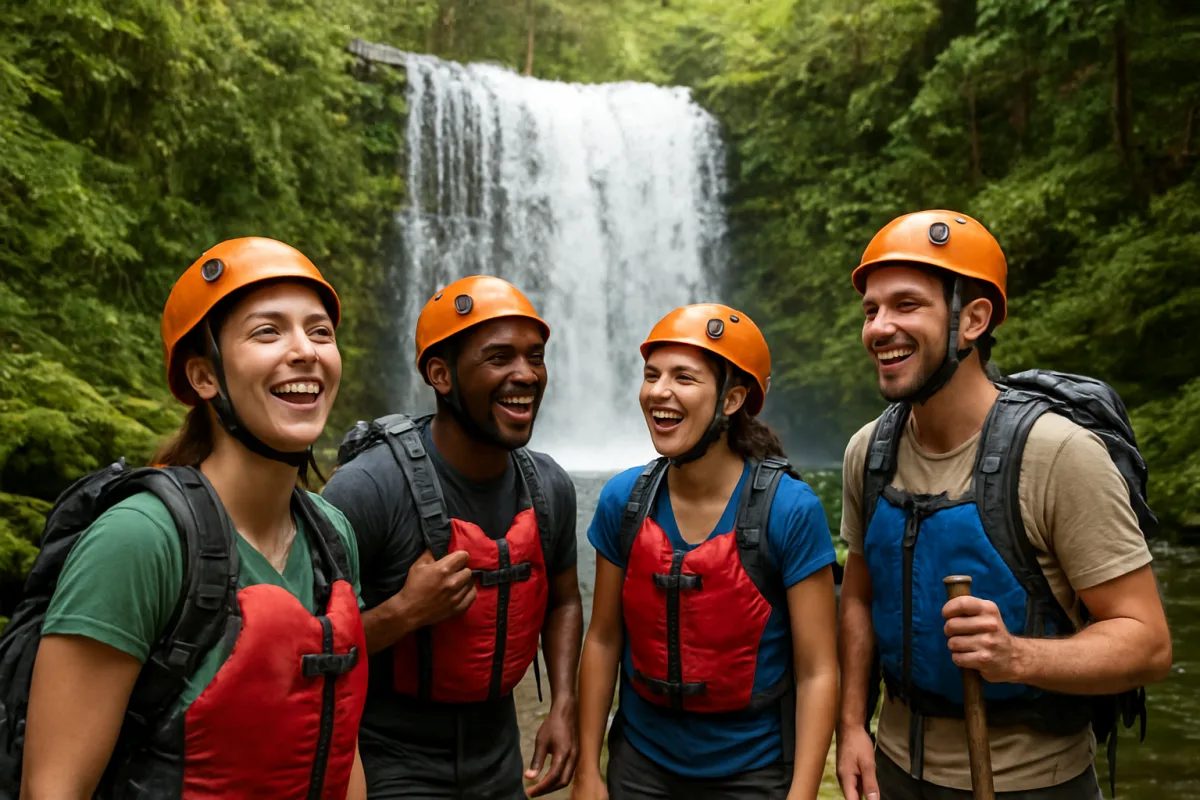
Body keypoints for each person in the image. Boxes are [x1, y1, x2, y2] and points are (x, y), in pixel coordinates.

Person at [835, 210, 1173, 800]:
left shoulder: (1060, 454)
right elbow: (860, 597)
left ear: (973, 319)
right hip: (892, 769)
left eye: (907, 305)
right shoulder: (869, 452)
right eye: (871, 310)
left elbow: (1147, 642)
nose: (879, 327)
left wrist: (1016, 656)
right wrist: (851, 725)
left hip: (1034, 782)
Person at [18, 237, 368, 798]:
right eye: (268, 331)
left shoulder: (333, 536)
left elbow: (338, 742)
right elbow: (53, 788)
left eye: (320, 331)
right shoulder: (139, 540)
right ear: (204, 377)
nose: (306, 351)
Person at [322, 275, 583, 799]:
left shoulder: (549, 486)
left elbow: (564, 601)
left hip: (498, 748)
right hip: (387, 752)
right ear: (440, 374)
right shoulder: (369, 489)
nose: (526, 374)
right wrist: (404, 612)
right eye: (499, 358)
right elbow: (300, 647)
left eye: (535, 356)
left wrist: (562, 706)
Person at [572, 303, 839, 800]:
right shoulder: (622, 502)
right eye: (651, 375)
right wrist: (589, 770)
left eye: (684, 377)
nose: (659, 392)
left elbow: (818, 668)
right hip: (640, 766)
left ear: (733, 398)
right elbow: (604, 638)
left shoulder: (788, 510)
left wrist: (802, 794)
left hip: (753, 771)